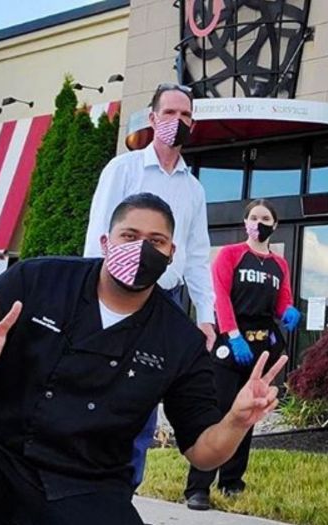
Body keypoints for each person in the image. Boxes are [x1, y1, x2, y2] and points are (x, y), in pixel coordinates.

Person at [0, 193, 286, 525]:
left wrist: (237, 421)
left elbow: (202, 451)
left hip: (86, 486)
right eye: (129, 236)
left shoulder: (180, 339)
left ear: (171, 252)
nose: (141, 249)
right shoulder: (37, 279)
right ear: (105, 242)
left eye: (155, 241)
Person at [84, 83, 217, 487]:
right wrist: (90, 296)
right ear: (153, 117)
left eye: (186, 116)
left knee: (143, 397)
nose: (178, 122)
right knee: (98, 385)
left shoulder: (193, 189)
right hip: (114, 294)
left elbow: (196, 255)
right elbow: (98, 235)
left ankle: (125, 488)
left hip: (165, 300)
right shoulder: (122, 170)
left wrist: (207, 316)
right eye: (171, 114)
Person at [184, 199, 301, 510]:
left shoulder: (279, 264)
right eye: (253, 217)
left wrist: (288, 312)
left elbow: (282, 299)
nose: (258, 222)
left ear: (274, 226)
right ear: (246, 222)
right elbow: (219, 296)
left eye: (265, 218)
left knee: (248, 414)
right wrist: (233, 335)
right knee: (219, 411)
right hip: (232, 339)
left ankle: (232, 480)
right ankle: (198, 485)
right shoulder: (231, 254)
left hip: (263, 343)